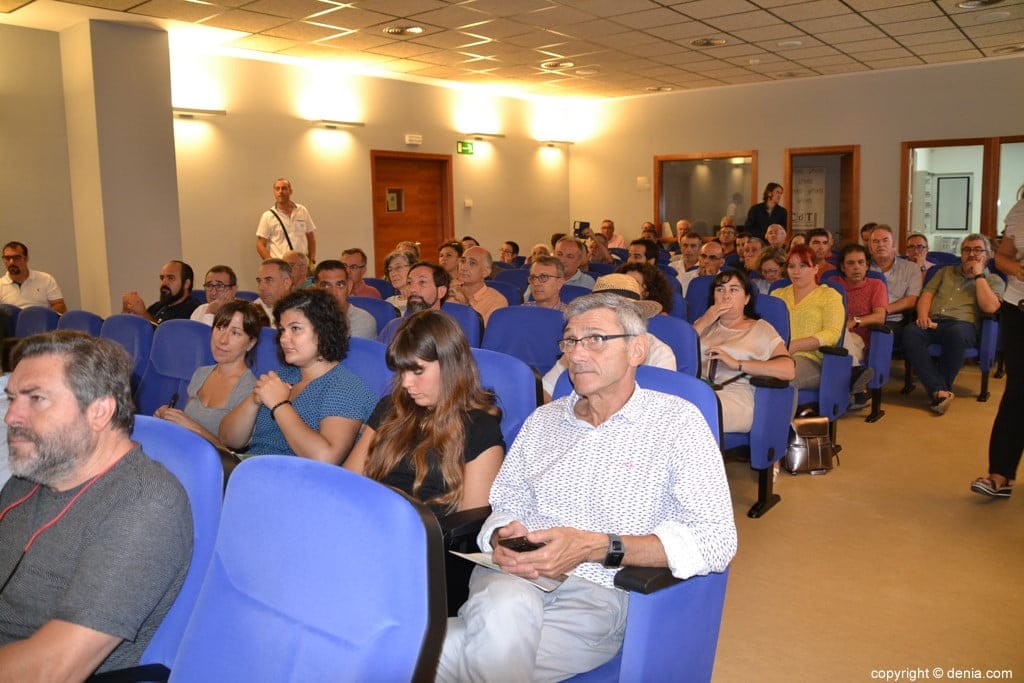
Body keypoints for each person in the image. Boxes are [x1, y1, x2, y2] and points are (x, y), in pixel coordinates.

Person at [436, 292, 736, 682]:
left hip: (597, 594)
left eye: (595, 339)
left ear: (636, 350)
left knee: (421, 653)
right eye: (570, 341)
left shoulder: (676, 423)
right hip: (511, 578)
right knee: (501, 607)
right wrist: (502, 535)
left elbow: (716, 540)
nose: (576, 355)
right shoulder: (542, 421)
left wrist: (599, 546)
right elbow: (505, 502)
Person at [0, 331, 191, 677]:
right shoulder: (32, 475)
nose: (11, 416)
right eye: (12, 398)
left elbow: (54, 669)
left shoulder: (145, 504)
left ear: (99, 411)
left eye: (36, 399)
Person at [344, 311, 505, 515]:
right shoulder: (391, 407)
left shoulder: (480, 427)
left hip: (430, 536)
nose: (406, 383)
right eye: (402, 371)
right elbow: (350, 481)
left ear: (450, 366)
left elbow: (472, 519)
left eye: (418, 371)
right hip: (373, 519)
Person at [219, 289, 376, 461]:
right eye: (282, 330)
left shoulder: (345, 389)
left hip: (297, 481)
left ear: (324, 331)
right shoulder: (283, 376)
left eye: (295, 328)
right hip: (255, 468)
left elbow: (326, 458)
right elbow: (228, 439)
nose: (284, 339)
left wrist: (279, 405)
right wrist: (254, 400)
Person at [902, 234, 1004, 415]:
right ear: (961, 254)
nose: (971, 254)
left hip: (964, 326)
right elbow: (927, 294)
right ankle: (940, 390)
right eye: (967, 250)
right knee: (910, 331)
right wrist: (923, 315)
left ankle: (938, 388)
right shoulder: (944, 271)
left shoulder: (993, 280)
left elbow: (990, 307)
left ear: (988, 255)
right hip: (934, 321)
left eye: (978, 250)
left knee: (955, 333)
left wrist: (979, 274)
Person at [155, 300, 268, 448]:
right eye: (220, 328)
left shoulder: (251, 389)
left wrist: (193, 427)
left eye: (235, 333)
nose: (222, 340)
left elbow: (233, 456)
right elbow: (185, 424)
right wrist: (169, 417)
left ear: (250, 343)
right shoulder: (201, 373)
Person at [541, 273, 674, 398]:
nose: (576, 357)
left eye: (597, 338)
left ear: (635, 317)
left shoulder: (660, 354)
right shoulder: (578, 348)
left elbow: (659, 406)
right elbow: (546, 390)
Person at [692, 269, 794, 432]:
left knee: (691, 413)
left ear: (746, 298)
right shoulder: (702, 324)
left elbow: (788, 370)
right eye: (720, 290)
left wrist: (737, 364)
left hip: (737, 395)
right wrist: (705, 320)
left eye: (733, 289)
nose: (726, 296)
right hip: (700, 390)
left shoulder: (761, 328)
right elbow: (677, 354)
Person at [972, 188, 1024, 498]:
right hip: (1018, 308)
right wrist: (1018, 269)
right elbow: (1002, 256)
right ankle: (999, 475)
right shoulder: (1020, 209)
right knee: (1017, 391)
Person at [771, 245, 845, 390]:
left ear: (815, 269)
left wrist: (794, 345)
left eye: (803, 265)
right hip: (774, 354)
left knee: (778, 379)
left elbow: (832, 334)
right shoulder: (777, 295)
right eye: (791, 266)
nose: (796, 271)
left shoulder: (829, 296)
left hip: (811, 359)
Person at [829, 244, 886, 409]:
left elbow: (880, 316)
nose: (856, 267)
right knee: (837, 331)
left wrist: (855, 321)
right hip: (832, 335)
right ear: (842, 267)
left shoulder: (876, 285)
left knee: (842, 331)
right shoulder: (833, 283)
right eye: (851, 263)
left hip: (860, 339)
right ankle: (856, 380)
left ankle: (854, 383)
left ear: (867, 265)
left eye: (861, 263)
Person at [869, 224, 922, 342]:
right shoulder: (863, 268)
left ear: (894, 245)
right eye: (875, 241)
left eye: (885, 240)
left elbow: (911, 300)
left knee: (879, 335)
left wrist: (882, 311)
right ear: (870, 248)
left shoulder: (911, 268)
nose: (881, 245)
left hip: (894, 320)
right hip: (866, 317)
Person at [377, 261, 450, 345]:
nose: (412, 289)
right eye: (409, 283)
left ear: (441, 291)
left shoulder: (448, 333)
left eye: (422, 282)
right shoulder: (394, 326)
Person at [255, 177, 317, 262]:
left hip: (301, 264)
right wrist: (272, 263)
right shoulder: (267, 216)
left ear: (290, 191)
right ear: (274, 192)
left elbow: (311, 237)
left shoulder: (302, 210)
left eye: (284, 188)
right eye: (277, 189)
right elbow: (260, 245)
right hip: (281, 266)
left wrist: (311, 258)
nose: (280, 191)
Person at [314, 259, 377, 339]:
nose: (333, 293)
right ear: (316, 288)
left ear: (349, 287)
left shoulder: (363, 321)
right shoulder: (305, 318)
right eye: (326, 285)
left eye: (340, 285)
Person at [121, 260, 199, 324]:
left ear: (186, 284)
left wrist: (143, 314)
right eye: (162, 278)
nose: (164, 283)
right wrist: (128, 313)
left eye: (170, 278)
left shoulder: (194, 310)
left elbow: (168, 338)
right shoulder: (158, 306)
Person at [0, 241, 67, 313]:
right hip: (11, 323)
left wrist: (40, 317)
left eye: (16, 258)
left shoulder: (46, 279)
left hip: (40, 322)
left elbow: (60, 306)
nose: (11, 262)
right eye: (7, 258)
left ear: (26, 259)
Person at [449, 246, 507, 325]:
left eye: (472, 263)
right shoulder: (449, 292)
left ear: (485, 272)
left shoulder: (497, 301)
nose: (463, 267)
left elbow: (480, 334)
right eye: (462, 261)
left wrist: (464, 304)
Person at [255, 258, 293, 324]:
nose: (261, 287)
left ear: (286, 283)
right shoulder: (255, 309)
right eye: (259, 281)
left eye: (268, 280)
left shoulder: (303, 312)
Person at [383, 250, 416, 315]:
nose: (393, 274)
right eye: (390, 270)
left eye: (398, 267)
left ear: (413, 268)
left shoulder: (421, 301)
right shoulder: (388, 302)